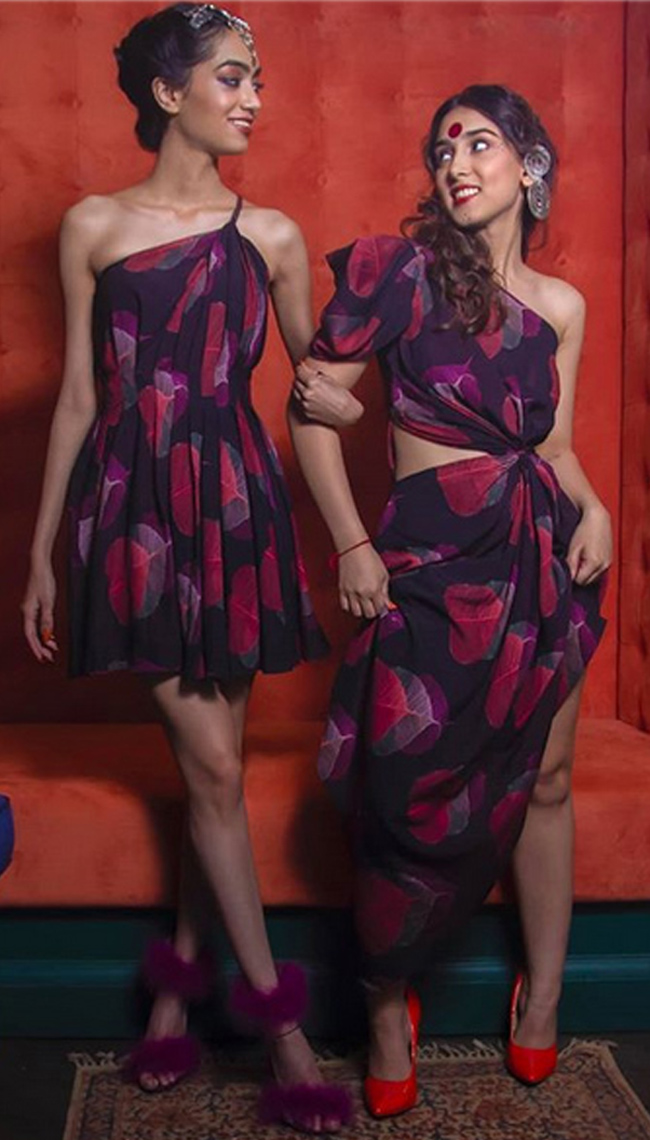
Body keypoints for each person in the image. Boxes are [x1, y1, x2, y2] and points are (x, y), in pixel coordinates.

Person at [21, 4, 355, 1131]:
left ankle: (173, 994)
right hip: (132, 511)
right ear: (169, 94)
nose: (253, 98)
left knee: (213, 777)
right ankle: (281, 1029)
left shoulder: (274, 238)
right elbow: (79, 397)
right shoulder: (92, 224)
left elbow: (317, 392)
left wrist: (352, 400)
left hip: (237, 507)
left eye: (256, 79)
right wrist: (42, 554)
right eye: (231, 77)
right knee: (211, 771)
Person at [290, 84, 611, 1118]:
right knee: (398, 792)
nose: (455, 164)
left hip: (537, 559)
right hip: (426, 566)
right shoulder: (400, 273)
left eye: (478, 143)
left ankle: (541, 994)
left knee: (547, 782)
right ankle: (387, 1003)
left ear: (529, 164)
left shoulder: (560, 307)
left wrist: (596, 508)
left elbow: (551, 447)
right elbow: (309, 409)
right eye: (441, 150)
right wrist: (351, 542)